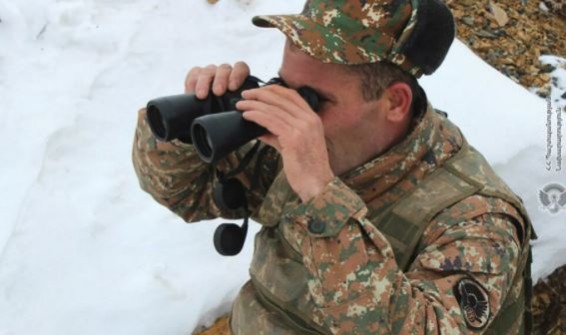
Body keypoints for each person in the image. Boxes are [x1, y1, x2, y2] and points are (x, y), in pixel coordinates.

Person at [132, 0, 536, 333]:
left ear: (395, 103)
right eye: (282, 85)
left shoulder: (477, 218)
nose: (290, 113)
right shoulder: (310, 142)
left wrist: (322, 197)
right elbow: (185, 195)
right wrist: (184, 130)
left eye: (312, 100)